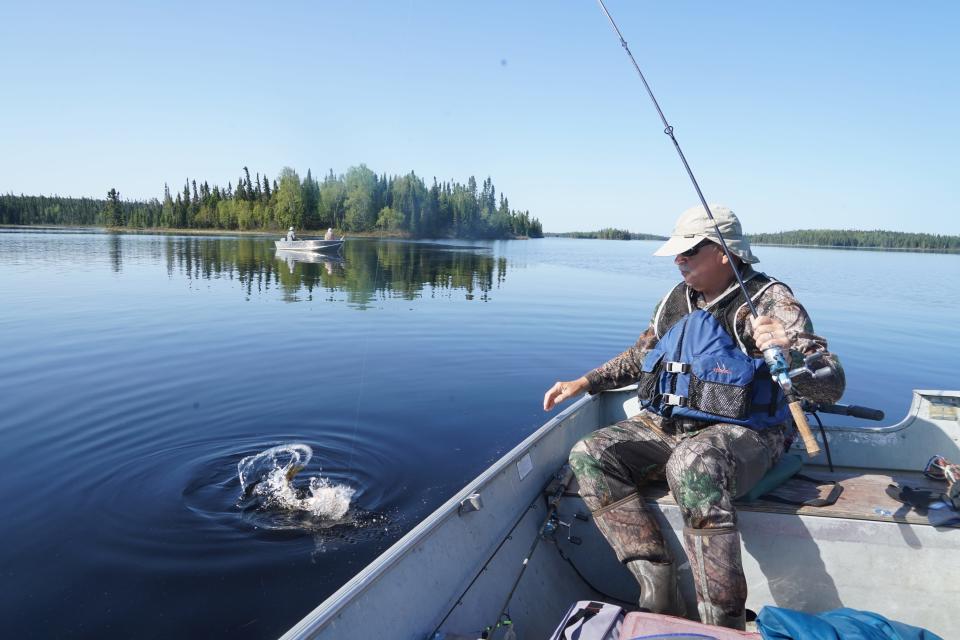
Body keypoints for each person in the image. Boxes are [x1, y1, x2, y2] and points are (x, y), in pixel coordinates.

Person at [543, 204, 844, 629]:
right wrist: (585, 381)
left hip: (750, 436)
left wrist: (790, 351)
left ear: (723, 252)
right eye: (677, 253)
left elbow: (830, 385)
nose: (678, 260)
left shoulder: (770, 302)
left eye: (689, 252)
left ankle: (721, 624)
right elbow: (640, 356)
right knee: (590, 453)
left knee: (693, 463)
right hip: (672, 426)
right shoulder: (674, 301)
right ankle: (658, 586)